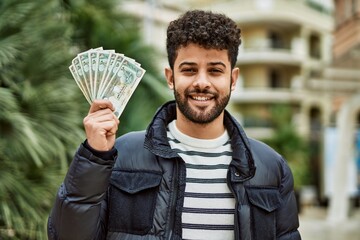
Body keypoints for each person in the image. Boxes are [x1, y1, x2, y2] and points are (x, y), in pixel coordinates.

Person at [48, 10, 301, 240]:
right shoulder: (119, 155)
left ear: (232, 79)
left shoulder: (271, 168)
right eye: (189, 70)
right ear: (171, 77)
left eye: (215, 71)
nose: (202, 82)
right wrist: (94, 158)